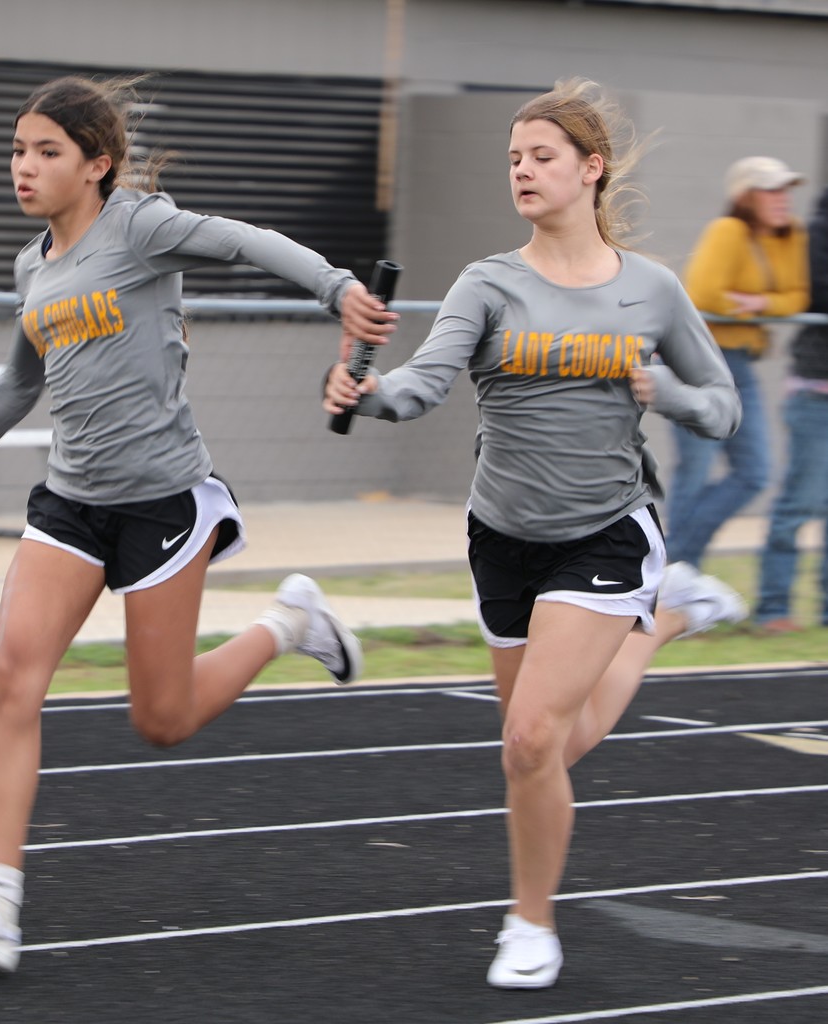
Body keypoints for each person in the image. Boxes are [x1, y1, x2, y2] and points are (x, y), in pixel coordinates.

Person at [0, 75, 397, 975]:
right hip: (71, 503)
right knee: (11, 678)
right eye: (17, 150)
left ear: (97, 163)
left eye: (47, 152)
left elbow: (244, 240)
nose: (24, 168)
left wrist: (336, 286)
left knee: (162, 718)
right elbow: (17, 383)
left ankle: (289, 622)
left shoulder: (141, 226)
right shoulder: (32, 266)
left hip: (160, 501)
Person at [323, 78, 746, 990]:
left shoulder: (652, 290)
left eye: (541, 156)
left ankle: (530, 922)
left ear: (590, 170)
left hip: (604, 530)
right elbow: (424, 385)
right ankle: (664, 622)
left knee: (527, 741)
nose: (522, 170)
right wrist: (371, 392)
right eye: (513, 158)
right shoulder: (488, 281)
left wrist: (657, 392)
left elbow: (721, 409)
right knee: (546, 741)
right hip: (501, 536)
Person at [664, 156, 809, 568]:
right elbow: (707, 295)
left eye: (786, 190)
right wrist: (760, 308)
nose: (782, 200)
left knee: (755, 473)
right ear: (746, 197)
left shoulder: (790, 236)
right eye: (771, 190)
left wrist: (760, 303)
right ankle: (675, 574)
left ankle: (675, 564)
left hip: (741, 364)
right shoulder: (727, 231)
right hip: (698, 361)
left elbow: (797, 296)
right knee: (695, 469)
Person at [755, 185, 828, 633]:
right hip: (815, 392)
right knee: (797, 505)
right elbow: (816, 291)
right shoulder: (818, 229)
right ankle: (773, 609)